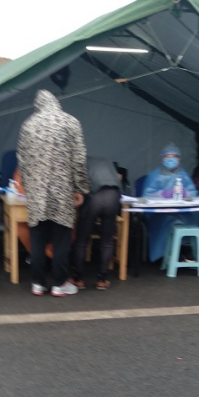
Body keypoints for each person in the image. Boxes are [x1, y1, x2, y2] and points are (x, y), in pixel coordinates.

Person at [16, 89, 89, 296]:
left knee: (37, 238)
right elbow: (79, 159)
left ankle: (37, 283)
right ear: (56, 103)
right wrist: (81, 188)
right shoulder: (70, 122)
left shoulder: (28, 124)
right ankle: (59, 284)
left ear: (38, 105)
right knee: (61, 239)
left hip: (37, 193)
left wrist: (28, 188)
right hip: (62, 191)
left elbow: (22, 160)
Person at [70, 156, 122, 291]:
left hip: (94, 197)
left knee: (82, 241)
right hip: (113, 196)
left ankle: (78, 279)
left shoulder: (79, 162)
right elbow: (119, 178)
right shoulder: (108, 161)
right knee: (107, 241)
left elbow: (77, 187)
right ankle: (102, 280)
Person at [142, 144, 198, 262]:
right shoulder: (156, 175)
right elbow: (147, 195)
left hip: (181, 210)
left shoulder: (183, 174)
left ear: (179, 159)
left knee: (191, 219)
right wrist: (162, 194)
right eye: (168, 156)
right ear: (162, 158)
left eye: (175, 156)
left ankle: (183, 249)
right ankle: (163, 254)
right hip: (160, 213)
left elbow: (193, 192)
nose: (171, 159)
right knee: (168, 221)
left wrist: (186, 193)